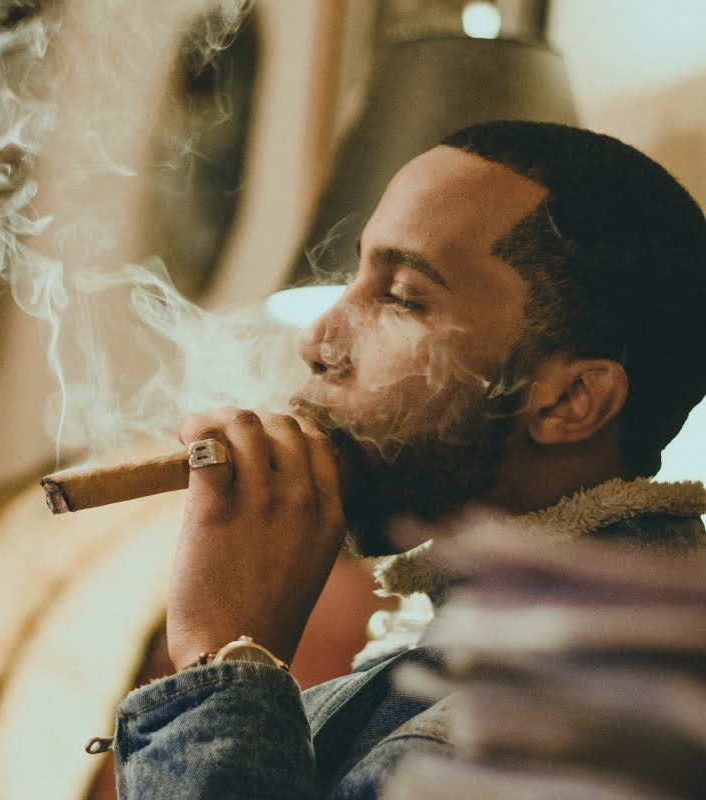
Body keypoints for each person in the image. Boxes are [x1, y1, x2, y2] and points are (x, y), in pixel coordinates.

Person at [108, 120, 706, 798]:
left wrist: (222, 654)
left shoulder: (553, 729)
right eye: (355, 277)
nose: (317, 339)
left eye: (400, 296)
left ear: (571, 399)